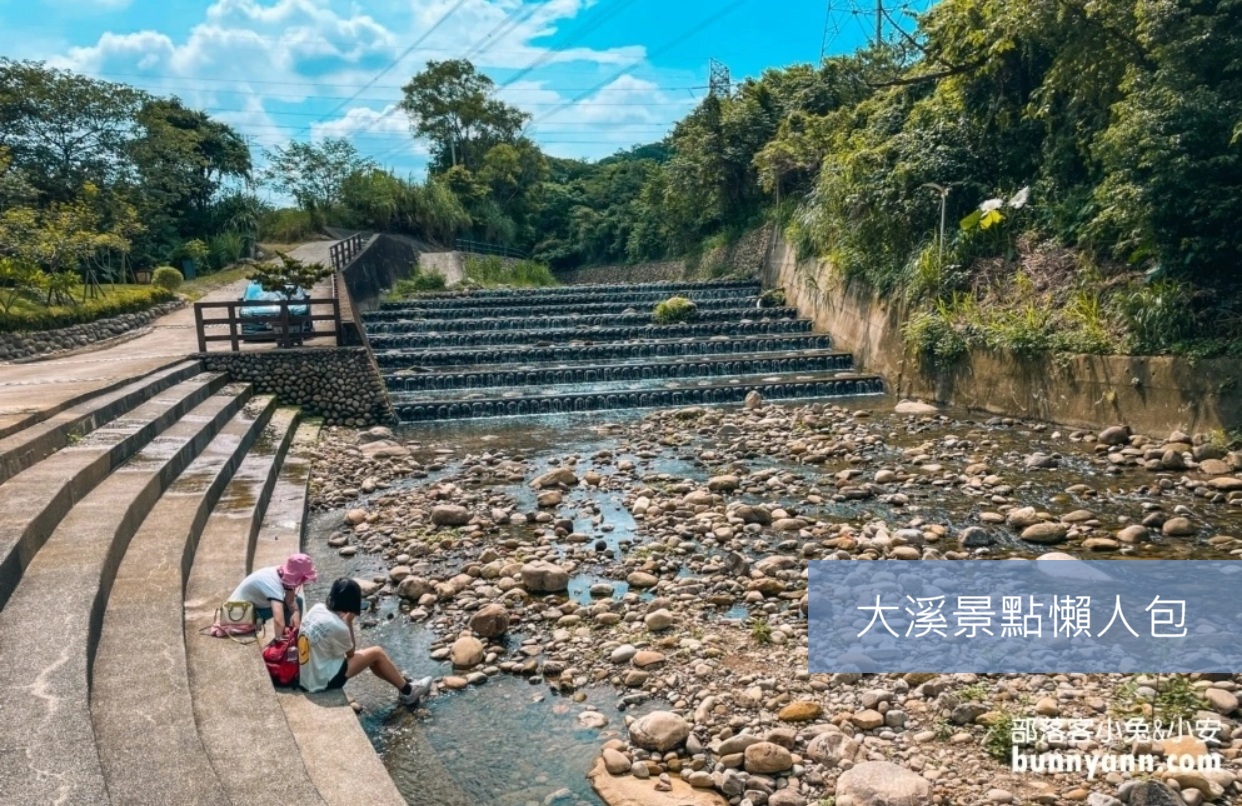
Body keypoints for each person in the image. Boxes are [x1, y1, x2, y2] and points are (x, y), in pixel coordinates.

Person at [297, 578, 432, 705]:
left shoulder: (317, 608)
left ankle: (401, 683)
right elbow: (350, 654)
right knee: (377, 653)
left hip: (305, 674)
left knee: (372, 658)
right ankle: (409, 692)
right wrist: (349, 621)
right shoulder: (338, 626)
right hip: (322, 680)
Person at [228, 553, 318, 634]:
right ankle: (285, 643)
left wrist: (296, 612)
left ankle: (291, 636)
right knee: (281, 619)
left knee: (298, 601)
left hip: (250, 607)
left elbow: (290, 601)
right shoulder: (273, 586)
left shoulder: (281, 573)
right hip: (237, 614)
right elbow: (278, 622)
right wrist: (279, 641)